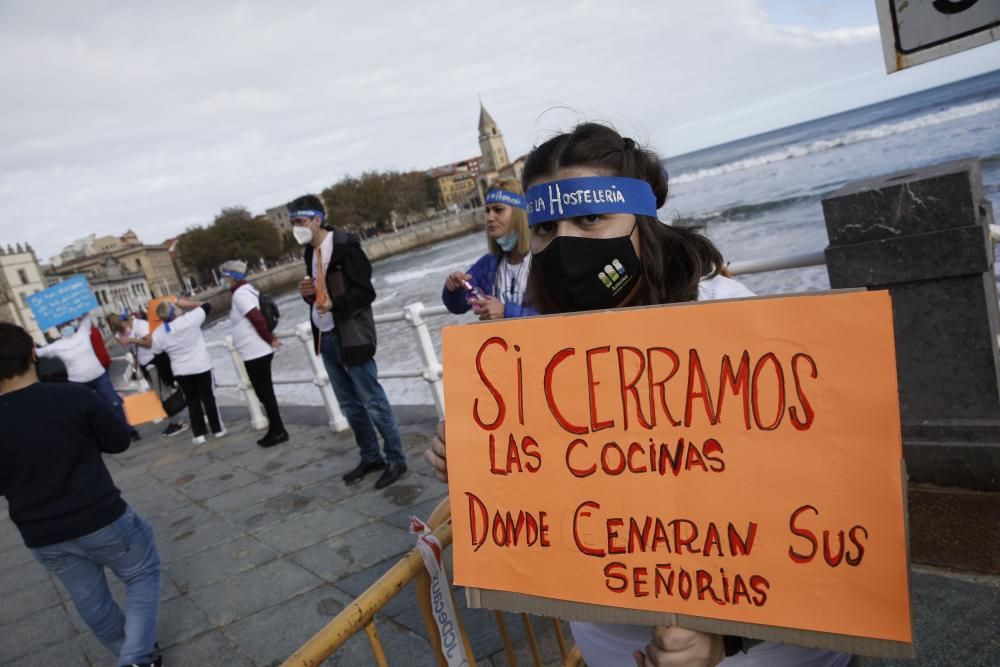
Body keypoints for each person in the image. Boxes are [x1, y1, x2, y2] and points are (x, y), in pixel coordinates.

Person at [424, 123, 852, 667]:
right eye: (550, 228)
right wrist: (478, 460)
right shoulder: (529, 349)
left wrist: (729, 638)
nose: (568, 244)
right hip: (609, 639)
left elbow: (821, 504)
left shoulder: (726, 315)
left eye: (591, 218)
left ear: (640, 219)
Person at [0, 322, 162, 667]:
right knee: (142, 573)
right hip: (99, 515)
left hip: (42, 533)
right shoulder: (73, 396)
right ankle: (135, 658)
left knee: (90, 599)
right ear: (32, 355)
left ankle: (132, 654)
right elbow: (118, 441)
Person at [291, 193, 407, 489]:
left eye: (300, 221)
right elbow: (321, 292)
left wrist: (335, 305)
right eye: (292, 222)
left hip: (351, 336)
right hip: (325, 336)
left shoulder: (346, 247)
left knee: (372, 400)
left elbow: (366, 293)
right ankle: (371, 456)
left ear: (317, 220)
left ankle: (396, 459)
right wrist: (309, 294)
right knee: (350, 405)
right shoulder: (309, 252)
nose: (296, 227)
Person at [442, 178, 538, 320]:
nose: (490, 217)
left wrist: (506, 311)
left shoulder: (545, 259)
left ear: (520, 214)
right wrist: (453, 289)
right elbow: (458, 306)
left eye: (498, 210)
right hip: (501, 342)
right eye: (487, 210)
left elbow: (560, 317)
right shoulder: (488, 263)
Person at [37, 315, 140, 441]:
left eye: (67, 324)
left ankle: (128, 430)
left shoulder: (82, 333)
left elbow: (88, 316)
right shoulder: (56, 346)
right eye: (62, 326)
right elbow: (37, 352)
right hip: (78, 383)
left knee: (115, 403)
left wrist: (80, 309)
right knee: (85, 411)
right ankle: (97, 437)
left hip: (99, 376)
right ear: (58, 329)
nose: (66, 327)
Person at [220, 259, 288, 447]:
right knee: (264, 393)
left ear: (232, 277)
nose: (223, 281)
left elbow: (257, 319)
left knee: (264, 393)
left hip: (255, 351)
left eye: (225, 277)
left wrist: (269, 339)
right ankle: (276, 429)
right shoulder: (246, 291)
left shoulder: (240, 295)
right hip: (255, 350)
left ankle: (278, 431)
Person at [151, 297, 224, 445]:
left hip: (181, 371)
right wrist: (189, 303)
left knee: (192, 401)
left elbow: (158, 356)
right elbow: (207, 305)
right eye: (176, 307)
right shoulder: (190, 319)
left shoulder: (158, 334)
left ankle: (199, 434)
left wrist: (168, 377)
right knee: (208, 398)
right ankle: (217, 430)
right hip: (201, 366)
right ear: (174, 311)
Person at [111, 312, 188, 438]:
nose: (122, 329)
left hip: (154, 362)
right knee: (160, 394)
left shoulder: (141, 325)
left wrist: (130, 339)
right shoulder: (133, 328)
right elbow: (137, 346)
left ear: (124, 322)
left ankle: (180, 422)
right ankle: (175, 420)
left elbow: (149, 342)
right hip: (145, 363)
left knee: (164, 393)